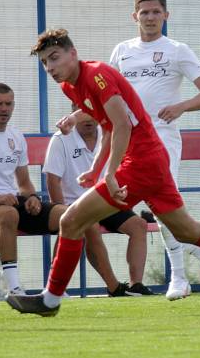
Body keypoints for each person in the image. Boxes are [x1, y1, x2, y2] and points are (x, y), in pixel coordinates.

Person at [7, 29, 200, 316]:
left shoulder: (96, 75)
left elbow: (123, 124)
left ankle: (50, 300)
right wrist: (96, 169)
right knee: (186, 230)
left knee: (71, 221)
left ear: (72, 54)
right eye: (44, 63)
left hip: (140, 163)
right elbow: (109, 126)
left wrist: (110, 174)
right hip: (150, 161)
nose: (50, 67)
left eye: (54, 58)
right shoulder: (70, 86)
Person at [109, 0, 200, 302]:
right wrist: (76, 117)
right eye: (145, 12)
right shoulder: (122, 51)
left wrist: (181, 107)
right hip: (130, 141)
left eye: (156, 12)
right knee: (162, 211)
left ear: (166, 15)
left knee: (165, 210)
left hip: (163, 139)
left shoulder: (177, 50)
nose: (150, 18)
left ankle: (180, 277)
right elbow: (108, 95)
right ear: (134, 16)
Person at [0, 83, 116, 296]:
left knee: (71, 215)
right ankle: (13, 287)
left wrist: (31, 196)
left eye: (8, 104)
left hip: (10, 201)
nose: (4, 108)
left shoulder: (16, 136)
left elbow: (23, 182)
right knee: (9, 214)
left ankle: (56, 286)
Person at [44, 105, 153, 296]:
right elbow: (53, 180)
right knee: (88, 225)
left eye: (91, 112)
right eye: (81, 112)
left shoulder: (110, 133)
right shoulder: (60, 139)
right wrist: (62, 210)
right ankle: (111, 287)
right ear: (73, 113)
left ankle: (136, 285)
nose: (87, 118)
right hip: (74, 205)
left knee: (139, 225)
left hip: (105, 200)